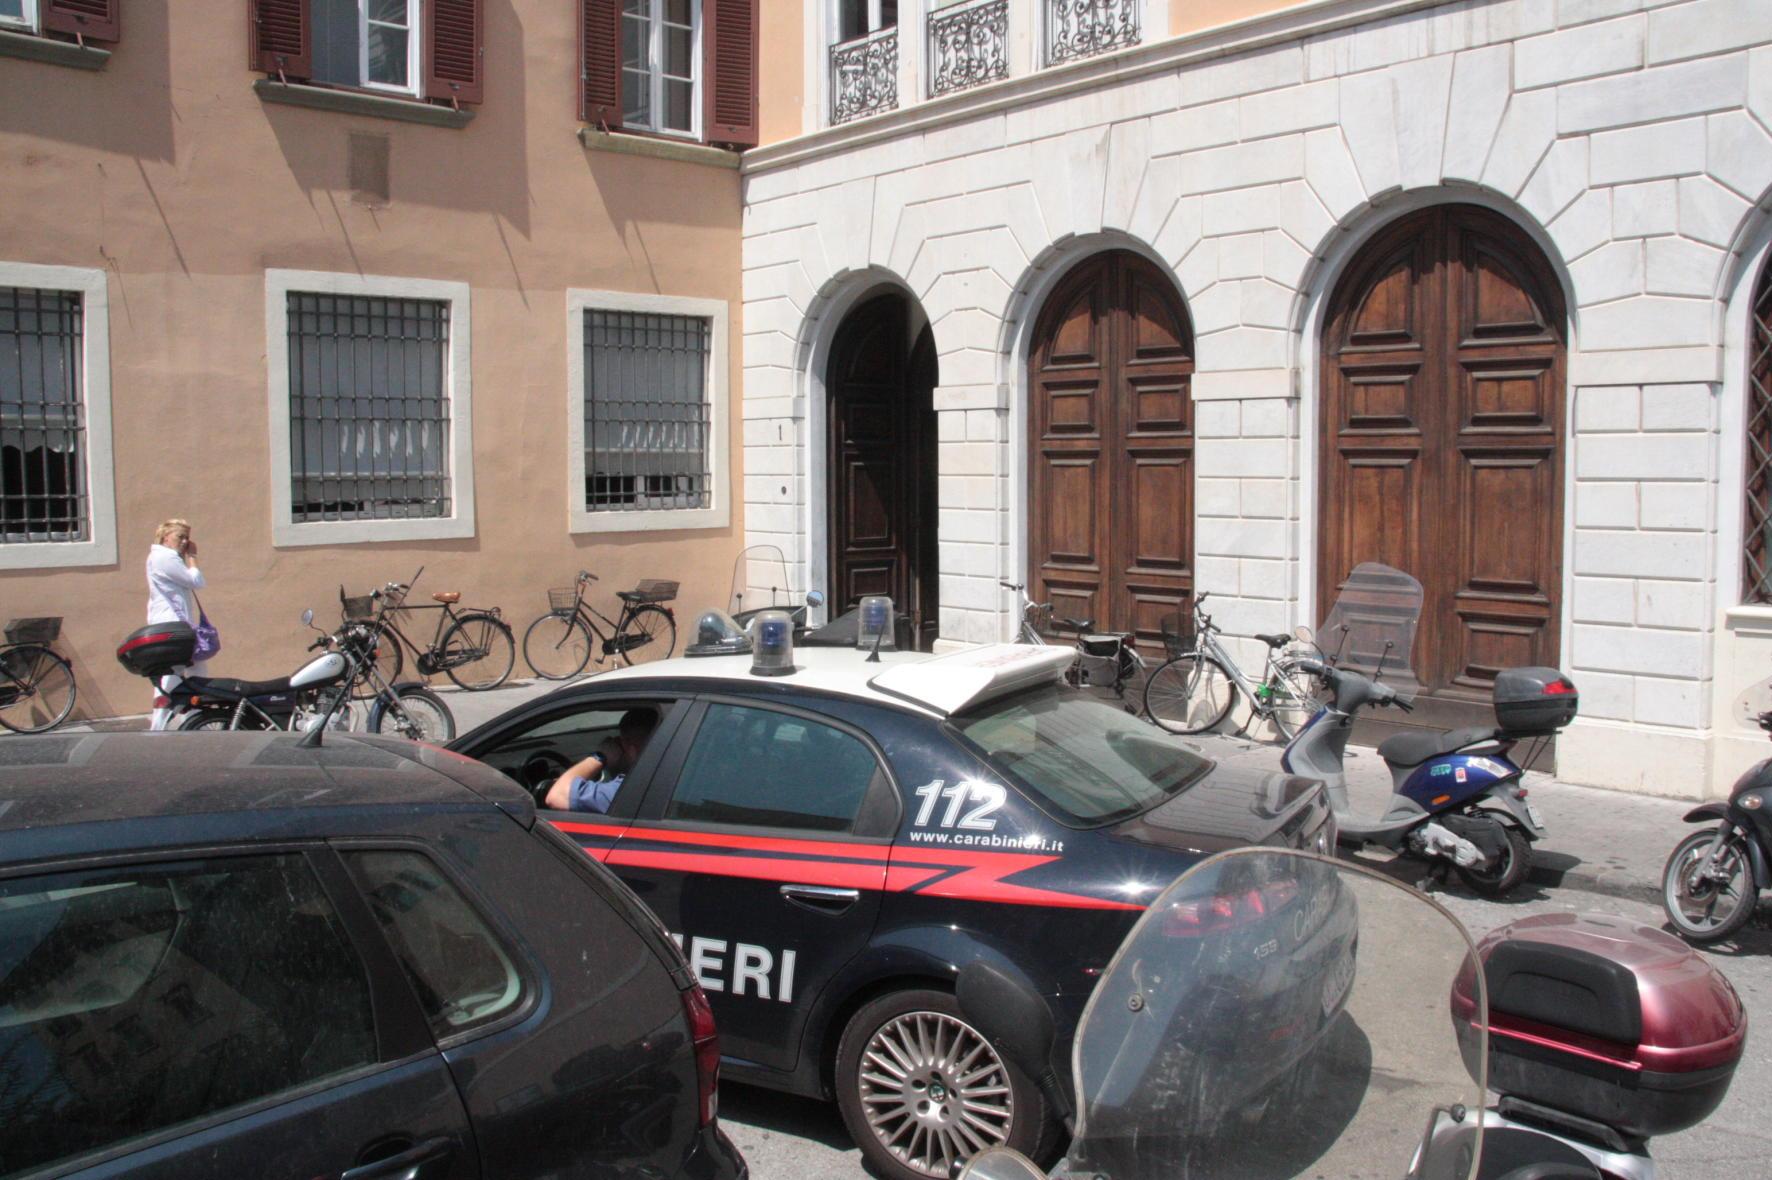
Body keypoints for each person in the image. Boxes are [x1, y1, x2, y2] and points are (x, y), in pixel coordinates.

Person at [145, 518, 207, 730]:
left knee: (194, 668)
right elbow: (196, 582)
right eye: (180, 536)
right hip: (173, 626)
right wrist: (192, 557)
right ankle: (160, 724)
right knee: (173, 673)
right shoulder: (165, 558)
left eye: (187, 537)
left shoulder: (163, 557)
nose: (184, 541)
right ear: (166, 537)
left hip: (175, 624)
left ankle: (196, 715)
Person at [544, 709, 658, 812]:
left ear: (631, 749)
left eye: (620, 742)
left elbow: (557, 796)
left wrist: (600, 756)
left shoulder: (632, 788)